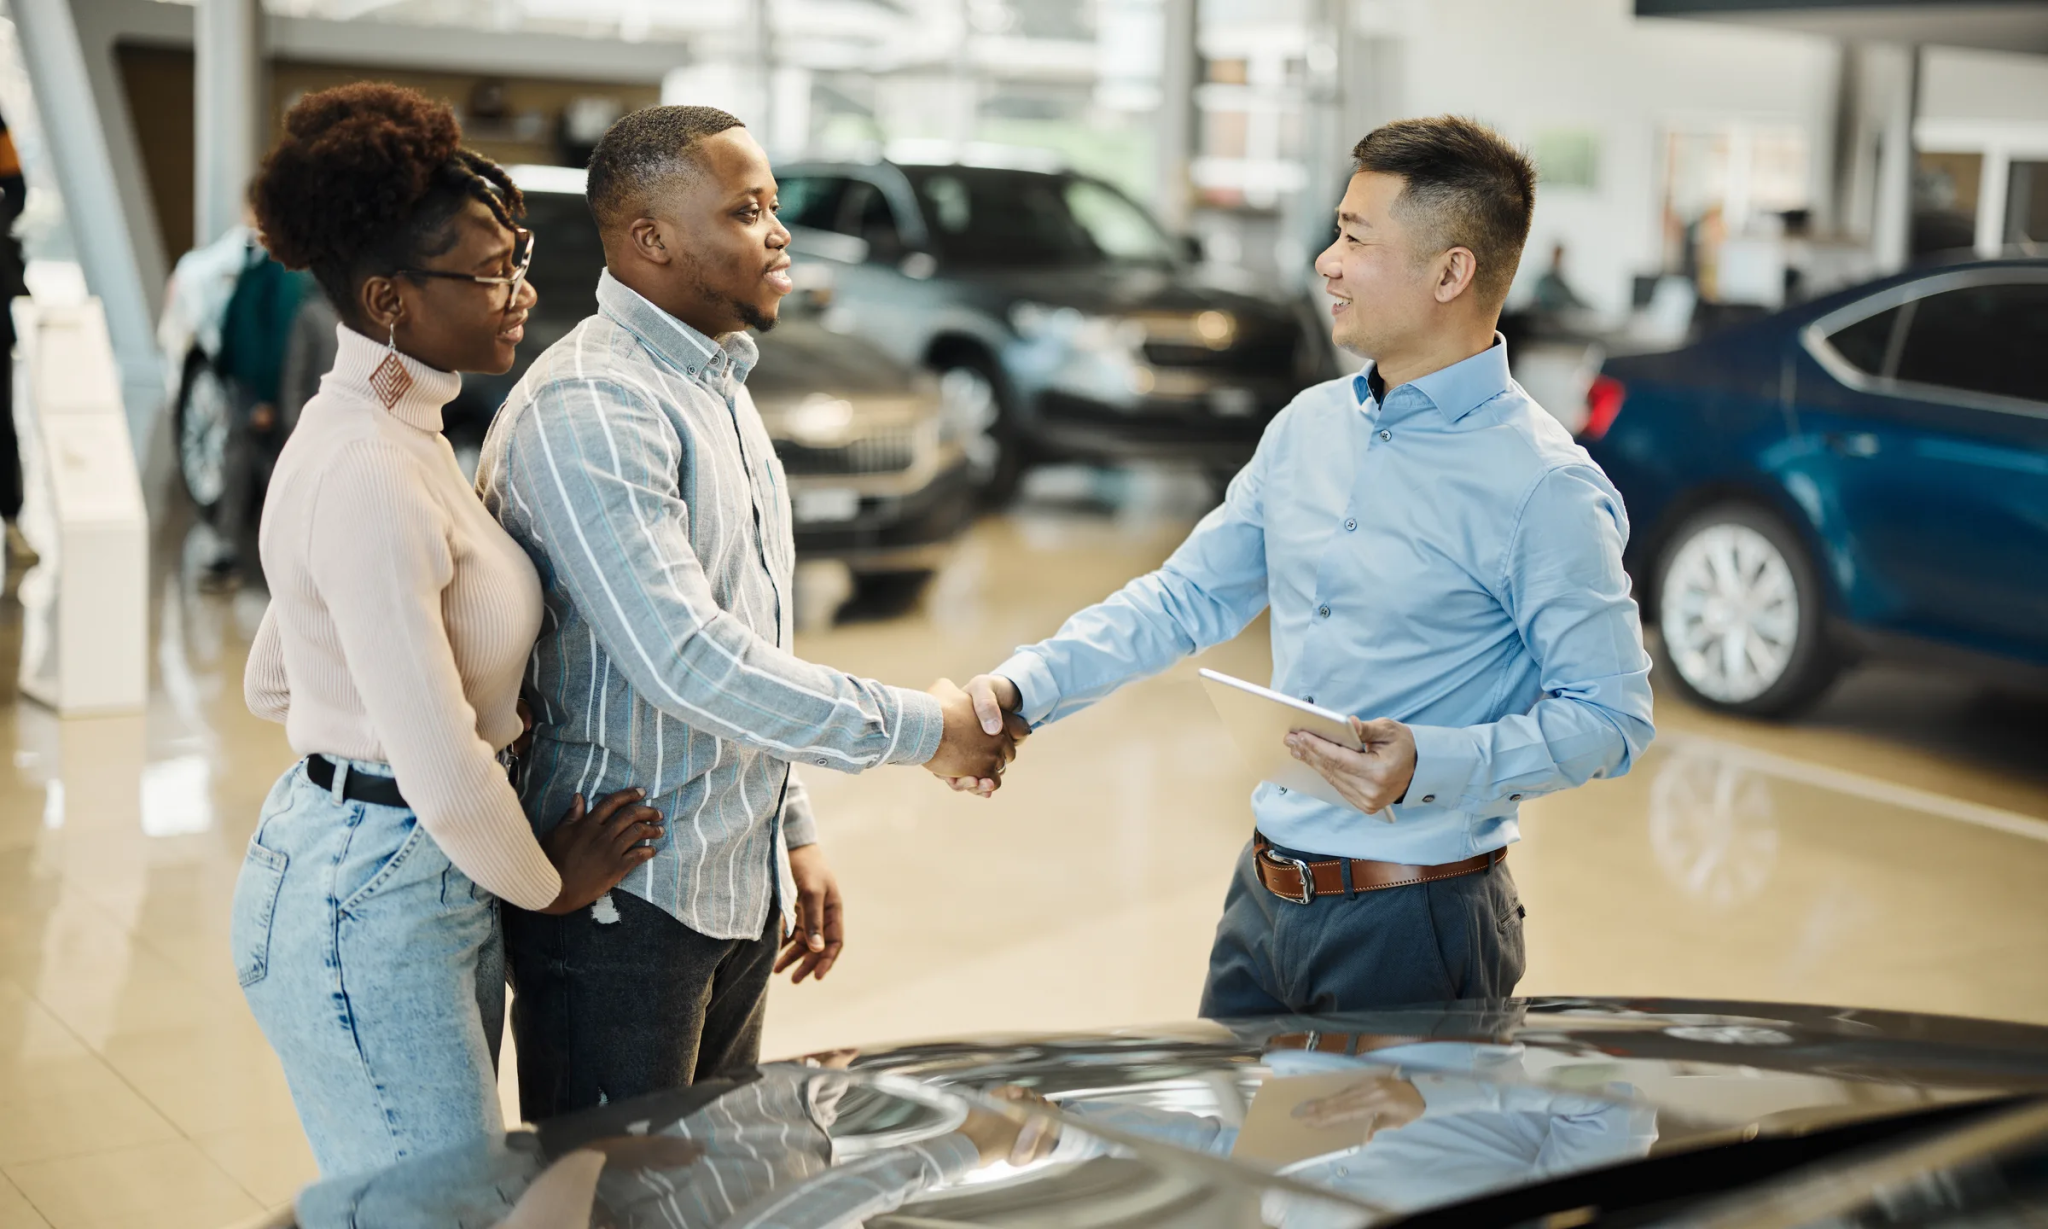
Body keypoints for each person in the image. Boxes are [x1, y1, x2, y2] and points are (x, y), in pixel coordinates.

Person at [951, 116, 1655, 1015]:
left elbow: (1612, 717)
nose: (1326, 260)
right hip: (1262, 900)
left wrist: (1431, 762)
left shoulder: (1544, 489)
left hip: (1418, 923)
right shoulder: (1308, 428)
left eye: (1356, 237)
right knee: (1231, 1158)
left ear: (1451, 272)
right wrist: (1022, 689)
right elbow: (1185, 597)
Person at [474, 105, 1023, 1124]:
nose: (779, 233)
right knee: (618, 1197)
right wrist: (928, 728)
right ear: (652, 239)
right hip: (625, 899)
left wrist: (792, 828)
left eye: (774, 206)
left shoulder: (715, 385)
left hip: (728, 872)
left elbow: (750, 630)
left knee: (707, 1183)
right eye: (748, 210)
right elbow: (688, 658)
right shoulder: (596, 404)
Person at [231, 82, 663, 1179]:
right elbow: (431, 751)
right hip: (378, 882)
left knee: (434, 1197)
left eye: (516, 260)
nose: (521, 292)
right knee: (436, 1207)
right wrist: (546, 880)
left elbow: (275, 675)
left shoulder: (384, 428)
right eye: (489, 273)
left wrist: (347, 722)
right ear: (389, 299)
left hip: (386, 857)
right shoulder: (373, 467)